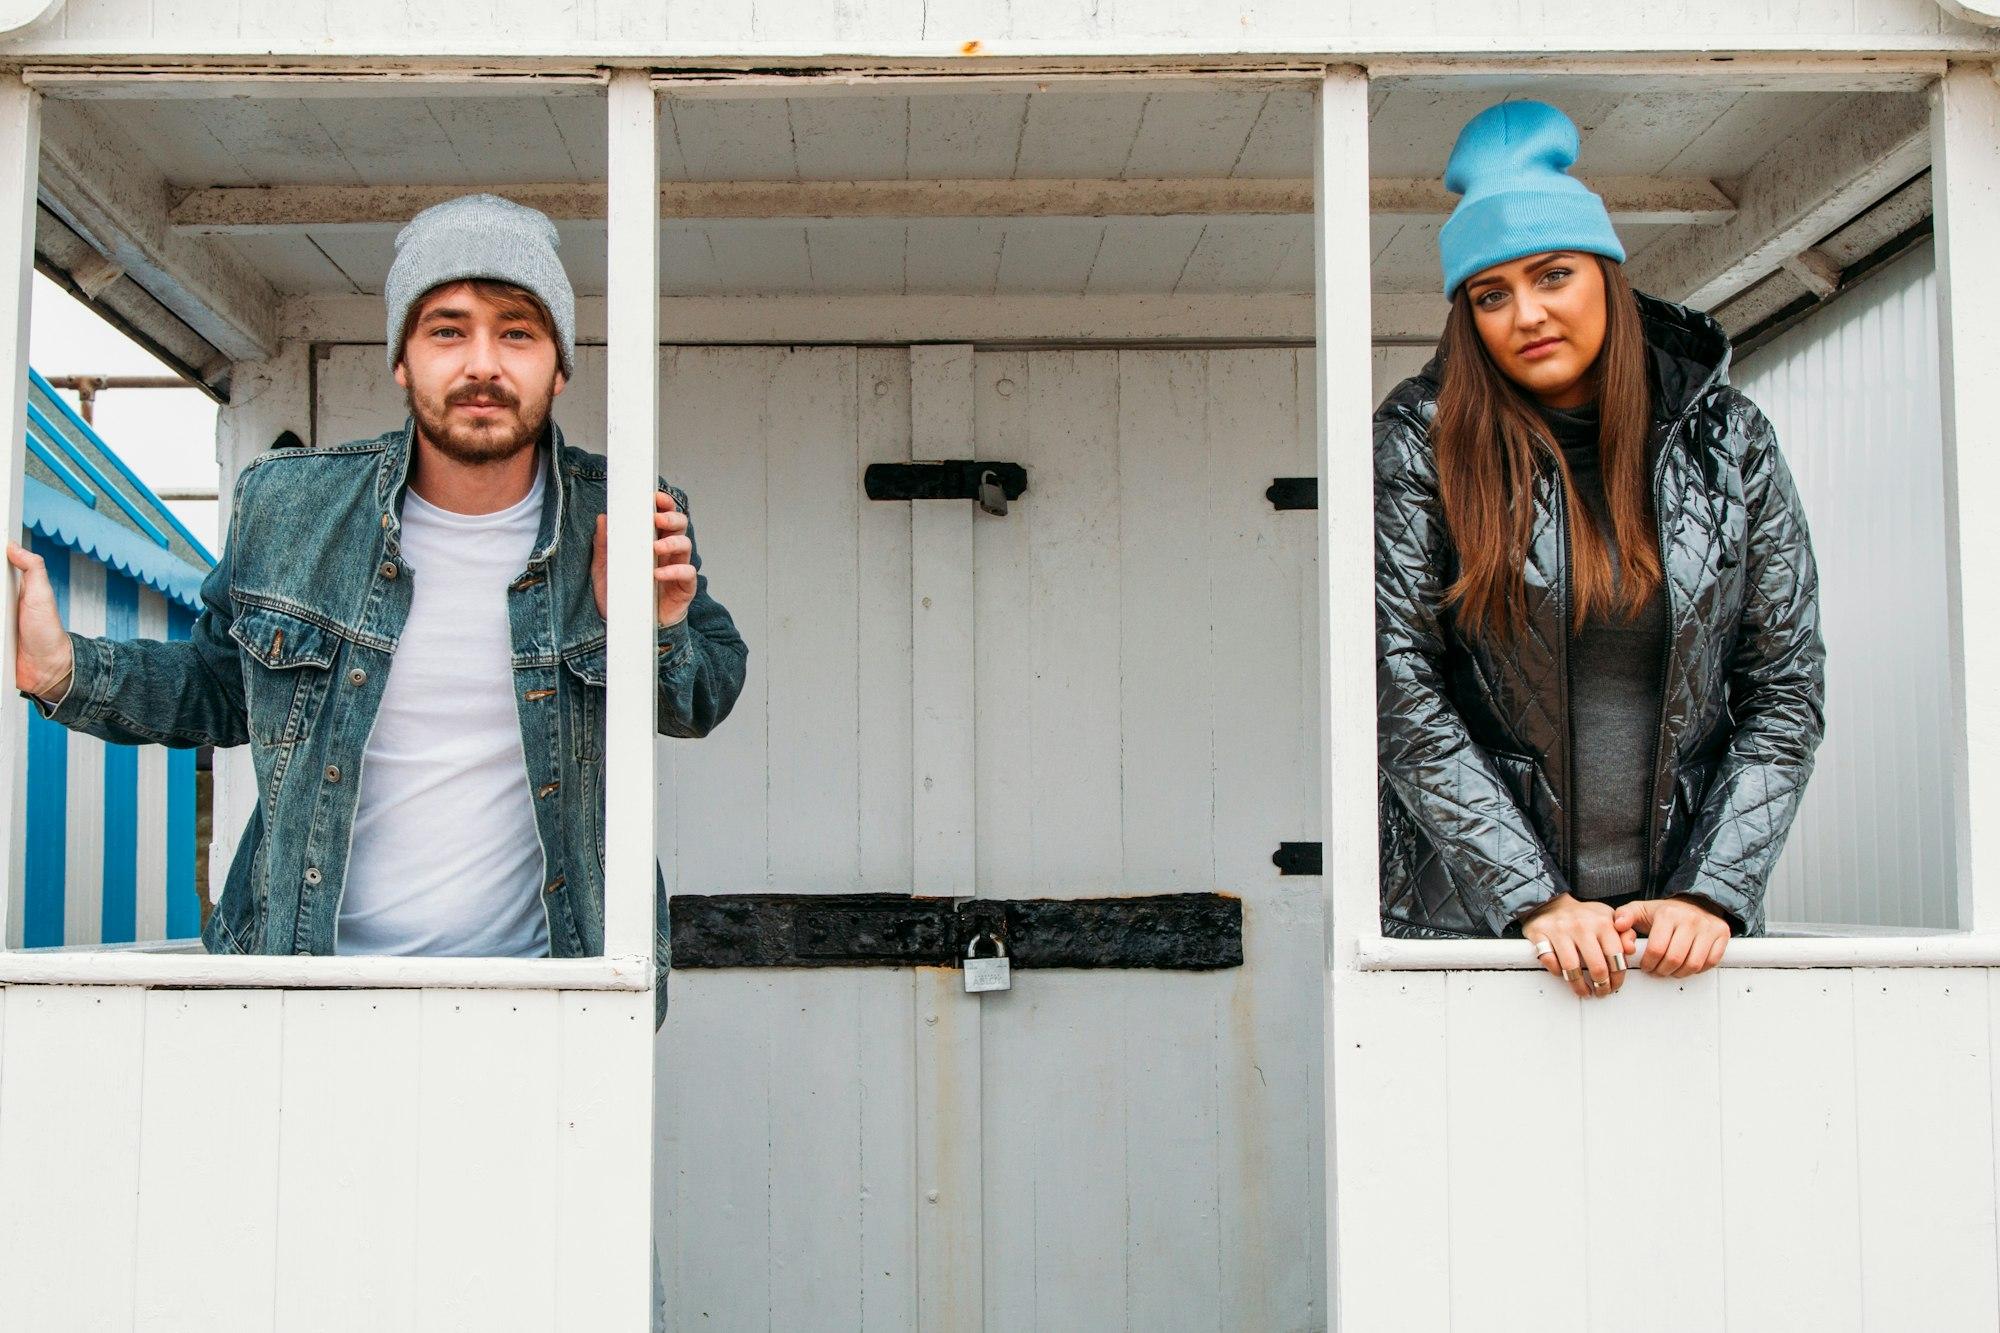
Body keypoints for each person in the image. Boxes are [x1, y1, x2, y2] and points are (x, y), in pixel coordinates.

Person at [7, 192, 746, 1025]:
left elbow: (704, 697)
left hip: (549, 1003)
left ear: (559, 363)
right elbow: (220, 687)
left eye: (517, 331)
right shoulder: (290, 507)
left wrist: (657, 631)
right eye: (447, 329)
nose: (482, 364)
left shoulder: (622, 513)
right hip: (306, 991)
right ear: (401, 358)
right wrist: (63, 669)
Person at [1373, 100, 1825, 998]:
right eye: (1491, 294)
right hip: (1483, 934)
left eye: (1553, 275)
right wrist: (1534, 899)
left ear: (1607, 276)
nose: (1527, 314)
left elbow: (1785, 687)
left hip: (1683, 943)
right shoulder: (1417, 442)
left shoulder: (1728, 439)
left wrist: (1712, 891)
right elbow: (1396, 688)